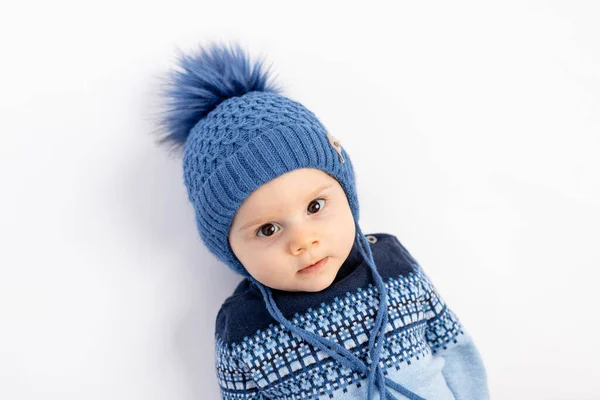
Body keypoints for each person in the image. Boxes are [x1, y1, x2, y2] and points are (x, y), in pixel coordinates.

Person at [154, 40, 490, 400]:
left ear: (347, 195)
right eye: (268, 229)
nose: (303, 241)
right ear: (229, 249)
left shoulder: (394, 266)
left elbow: (452, 346)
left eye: (315, 207)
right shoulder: (243, 330)